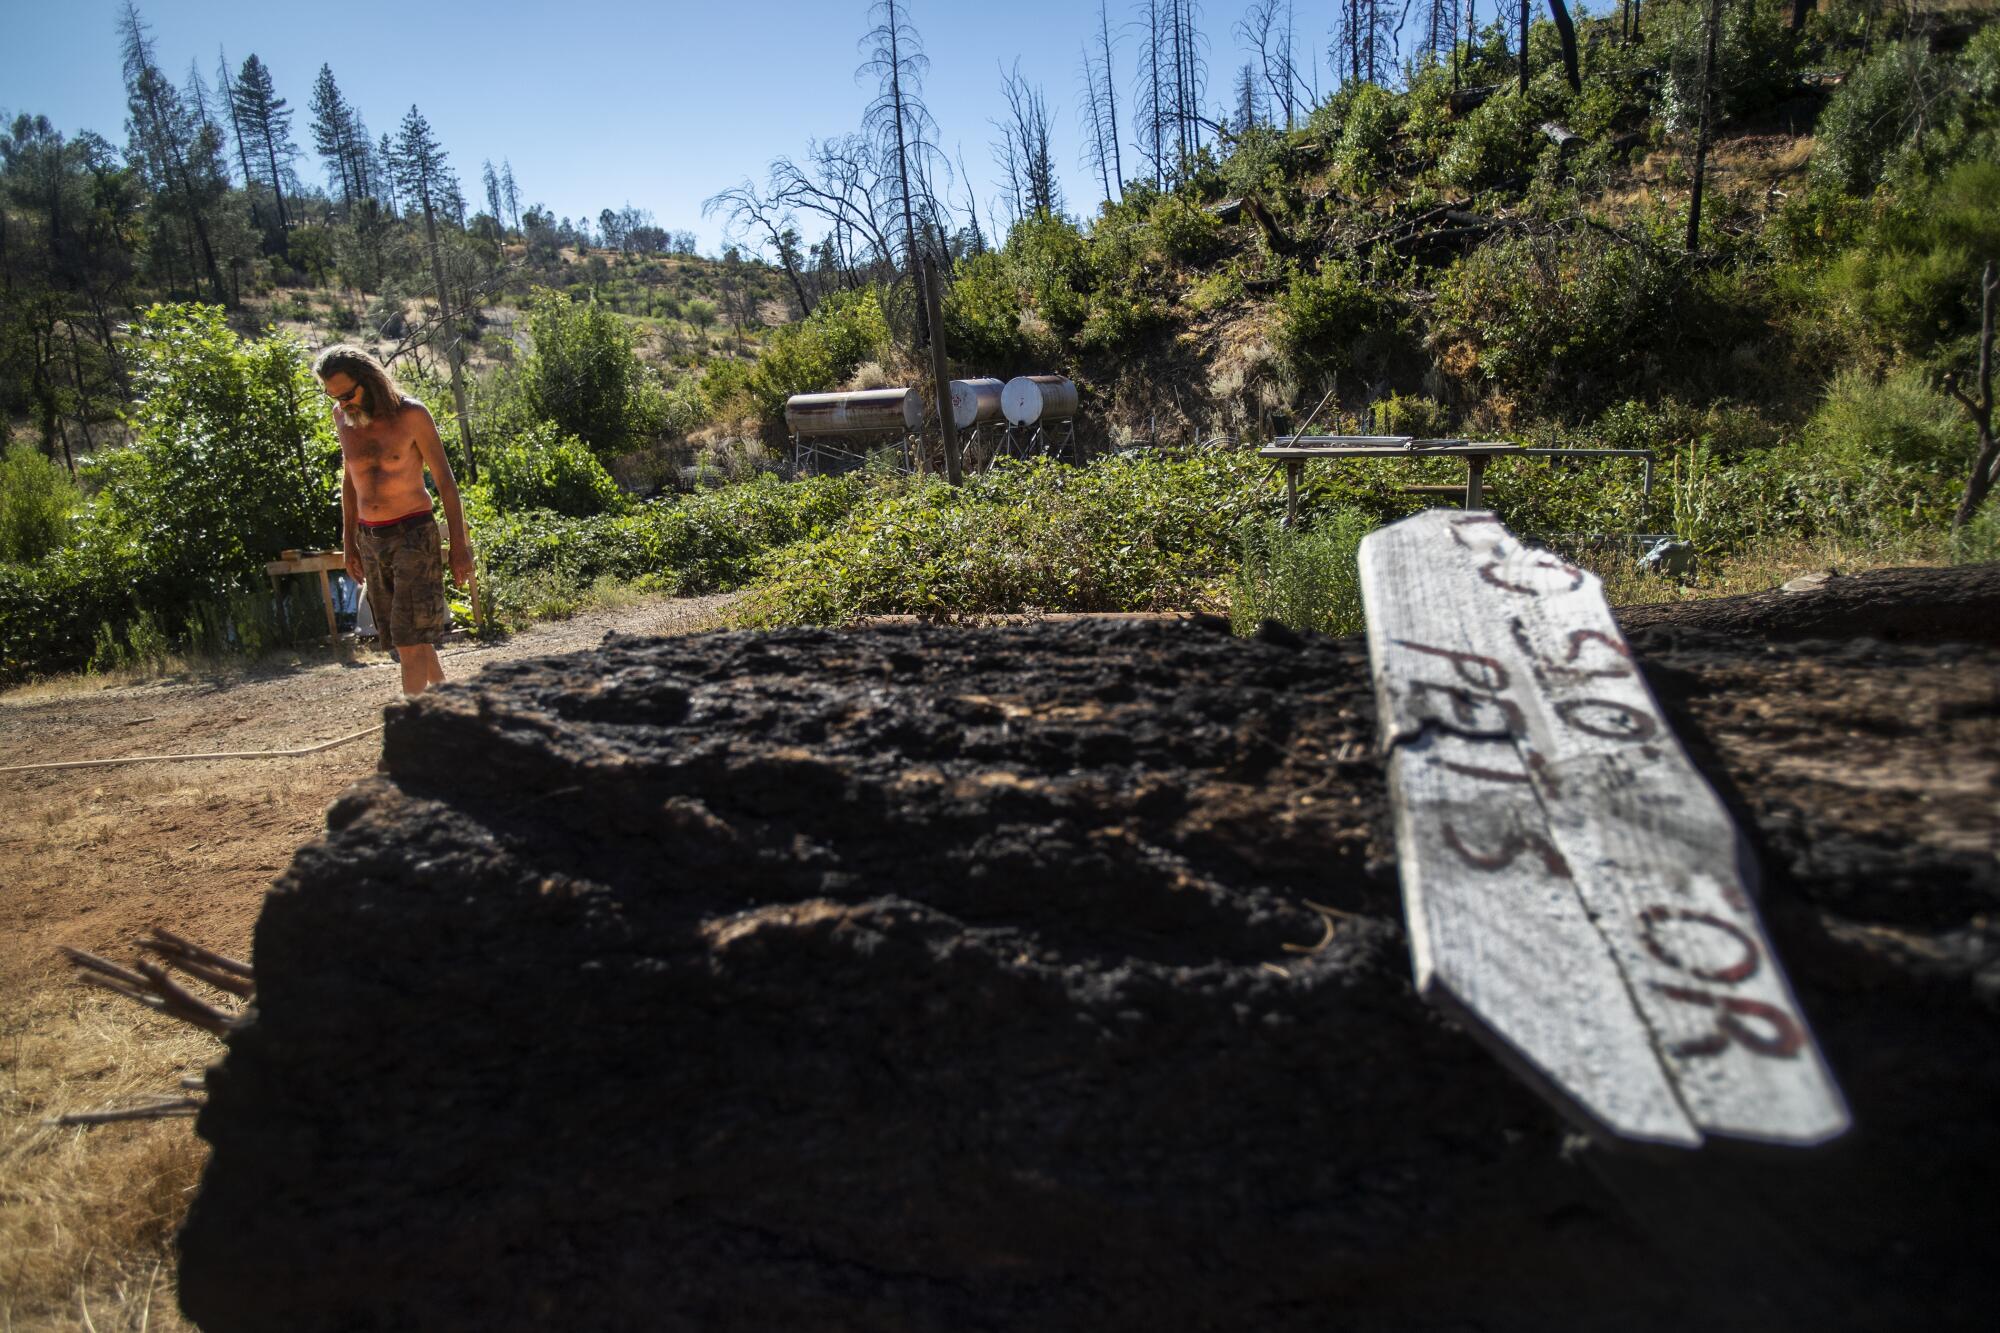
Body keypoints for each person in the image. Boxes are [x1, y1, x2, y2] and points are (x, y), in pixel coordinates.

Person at [313, 344, 473, 695]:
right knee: (405, 638)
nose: (342, 404)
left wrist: (459, 546)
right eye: (334, 397)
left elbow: (446, 482)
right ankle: (451, 705)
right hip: (371, 539)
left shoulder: (412, 415)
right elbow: (349, 478)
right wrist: (348, 542)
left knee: (409, 637)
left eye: (347, 394)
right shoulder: (342, 417)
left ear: (368, 380)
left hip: (413, 533)